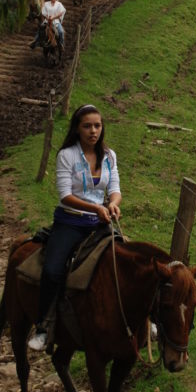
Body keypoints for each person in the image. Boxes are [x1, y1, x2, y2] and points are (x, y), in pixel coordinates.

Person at [28, 103, 122, 350]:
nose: (93, 131)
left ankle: (141, 322)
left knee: (128, 260)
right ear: (77, 129)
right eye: (87, 126)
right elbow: (64, 195)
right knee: (52, 270)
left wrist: (112, 205)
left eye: (97, 126)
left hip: (99, 223)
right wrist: (96, 208)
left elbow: (115, 189)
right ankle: (43, 327)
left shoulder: (110, 156)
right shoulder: (66, 155)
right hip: (70, 222)